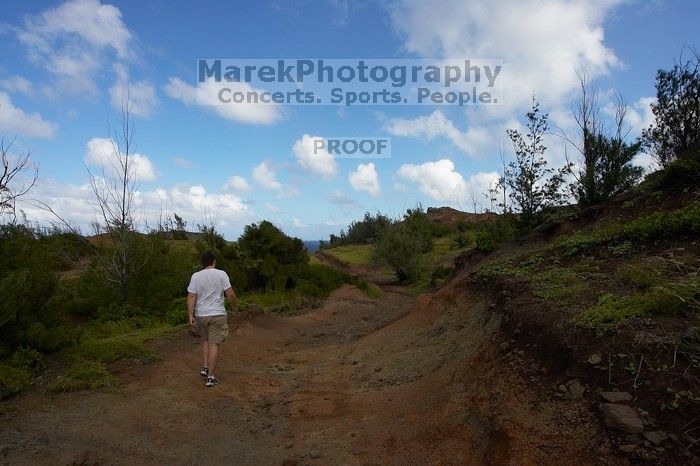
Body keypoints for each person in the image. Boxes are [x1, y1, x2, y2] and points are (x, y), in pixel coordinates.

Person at [187, 250, 236, 387]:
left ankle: (205, 367)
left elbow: (191, 296)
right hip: (217, 314)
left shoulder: (196, 276)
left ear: (202, 263)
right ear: (214, 261)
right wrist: (234, 306)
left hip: (201, 315)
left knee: (206, 340)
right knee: (214, 343)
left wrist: (191, 315)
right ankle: (211, 377)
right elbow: (230, 294)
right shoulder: (221, 274)